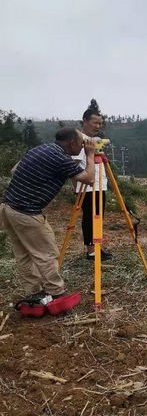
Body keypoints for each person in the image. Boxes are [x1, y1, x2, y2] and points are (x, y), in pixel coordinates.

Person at [0, 128, 96, 301]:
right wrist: (90, 155)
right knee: (47, 253)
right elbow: (89, 179)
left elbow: (14, 171)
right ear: (71, 143)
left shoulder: (40, 149)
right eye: (82, 143)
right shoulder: (61, 159)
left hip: (7, 207)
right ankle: (57, 293)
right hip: (26, 212)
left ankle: (34, 292)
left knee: (23, 254)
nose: (83, 147)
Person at [72, 108, 113, 261]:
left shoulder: (93, 141)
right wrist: (74, 185)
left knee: (98, 217)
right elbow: (73, 166)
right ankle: (91, 251)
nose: (97, 126)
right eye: (95, 122)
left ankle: (97, 248)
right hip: (88, 187)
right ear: (85, 121)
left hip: (99, 185)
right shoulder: (79, 140)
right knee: (90, 218)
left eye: (100, 123)